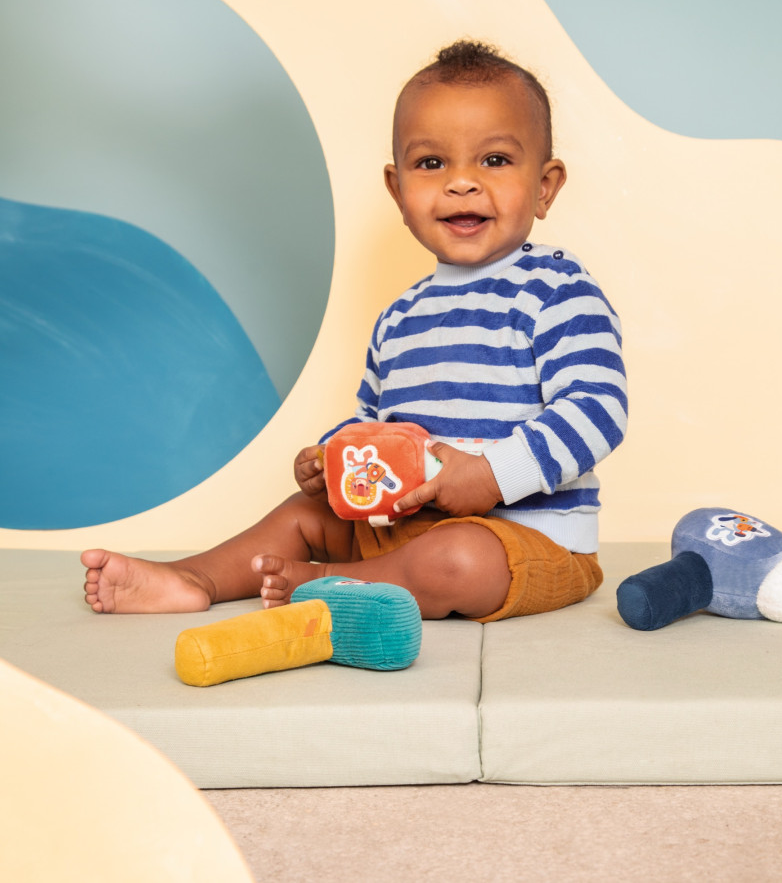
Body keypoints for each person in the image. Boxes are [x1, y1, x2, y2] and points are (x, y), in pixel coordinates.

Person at [82, 40, 627, 623]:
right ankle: (194, 578)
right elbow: (374, 422)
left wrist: (493, 475)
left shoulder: (557, 291)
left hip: (526, 540)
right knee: (302, 516)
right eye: (432, 164)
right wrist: (332, 456)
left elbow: (598, 409)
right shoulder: (400, 317)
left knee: (459, 559)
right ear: (398, 191)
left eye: (494, 160)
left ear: (544, 186)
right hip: (404, 526)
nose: (461, 183)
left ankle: (325, 584)